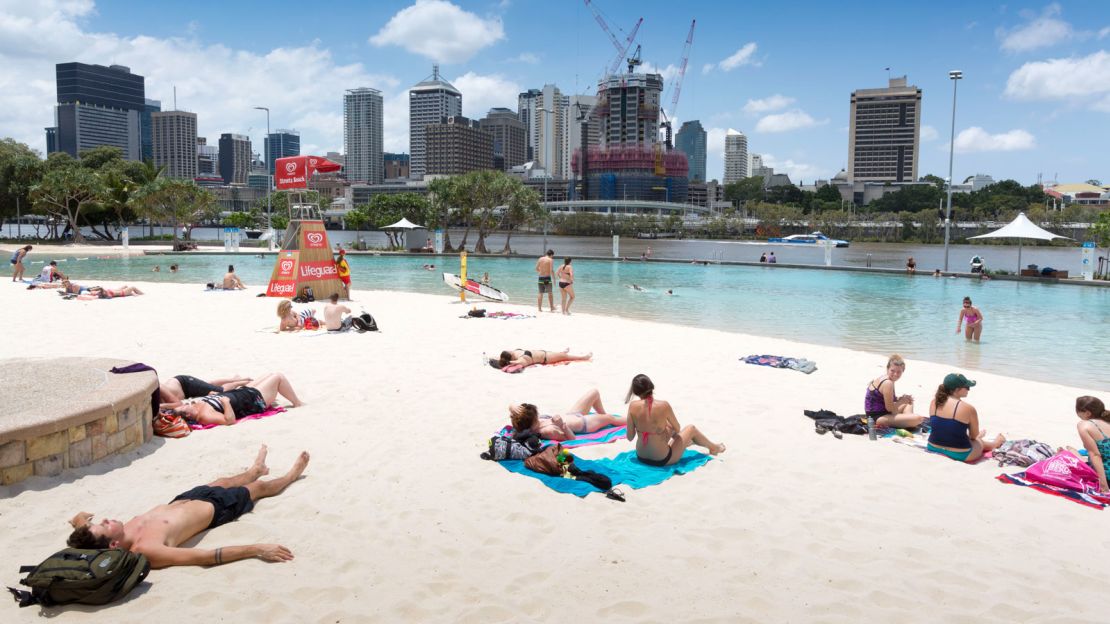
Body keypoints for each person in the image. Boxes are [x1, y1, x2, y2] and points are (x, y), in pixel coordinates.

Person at [66, 446, 308, 569]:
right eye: (103, 526)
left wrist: (79, 521)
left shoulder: (104, 535)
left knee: (225, 480)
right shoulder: (147, 549)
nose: (105, 520)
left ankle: (253, 469)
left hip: (185, 499)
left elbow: (84, 533)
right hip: (217, 508)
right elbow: (205, 557)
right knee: (258, 488)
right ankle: (290, 477)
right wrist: (256, 549)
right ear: (114, 545)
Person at [625, 374, 725, 466]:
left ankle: (688, 443)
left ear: (635, 391)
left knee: (666, 428)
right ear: (651, 386)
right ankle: (714, 448)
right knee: (691, 428)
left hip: (641, 457)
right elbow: (677, 429)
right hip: (661, 459)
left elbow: (630, 437)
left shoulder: (632, 406)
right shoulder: (663, 405)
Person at [167, 373, 304, 426]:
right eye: (185, 406)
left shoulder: (198, 406)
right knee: (278, 377)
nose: (186, 404)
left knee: (270, 374)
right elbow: (229, 420)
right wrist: (226, 403)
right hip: (253, 399)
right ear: (188, 414)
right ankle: (297, 403)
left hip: (242, 393)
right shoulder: (205, 415)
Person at [926, 373, 1003, 463]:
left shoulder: (934, 402)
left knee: (973, 437)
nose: (968, 390)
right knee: (979, 442)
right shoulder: (968, 408)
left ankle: (983, 437)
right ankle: (995, 444)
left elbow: (942, 427)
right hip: (960, 454)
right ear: (957, 389)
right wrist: (978, 437)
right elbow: (973, 436)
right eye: (967, 387)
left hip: (932, 447)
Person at [508, 389, 625, 441]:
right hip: (584, 424)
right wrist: (562, 425)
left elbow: (515, 413)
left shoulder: (530, 423)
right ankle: (633, 420)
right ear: (532, 420)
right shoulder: (547, 431)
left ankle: (603, 418)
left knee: (594, 393)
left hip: (573, 414)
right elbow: (572, 439)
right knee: (610, 418)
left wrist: (512, 407)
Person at [864, 354, 926, 429]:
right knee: (918, 418)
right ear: (887, 369)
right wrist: (901, 401)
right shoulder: (888, 383)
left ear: (903, 371)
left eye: (899, 372)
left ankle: (907, 421)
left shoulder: (887, 379)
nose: (895, 374)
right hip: (877, 418)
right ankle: (908, 421)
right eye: (892, 371)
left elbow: (885, 399)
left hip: (883, 413)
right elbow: (889, 408)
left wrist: (902, 399)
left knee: (909, 402)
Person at [1073, 396, 1110, 494]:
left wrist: (1104, 486)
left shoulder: (1084, 425)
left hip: (1107, 477)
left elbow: (1095, 455)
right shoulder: (1107, 422)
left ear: (1087, 413)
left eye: (1077, 410)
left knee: (1069, 453)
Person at [160, 374, 253, 404]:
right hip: (183, 388)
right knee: (209, 384)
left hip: (185, 384)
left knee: (220, 391)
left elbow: (176, 402)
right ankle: (235, 379)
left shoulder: (158, 388)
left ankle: (237, 382)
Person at [491, 348, 592, 370]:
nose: (510, 350)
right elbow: (515, 363)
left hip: (545, 352)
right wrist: (509, 362)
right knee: (566, 357)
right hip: (546, 358)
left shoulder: (515, 353)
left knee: (560, 354)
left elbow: (497, 358)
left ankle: (561, 352)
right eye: (509, 351)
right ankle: (583, 357)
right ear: (511, 356)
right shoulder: (521, 360)